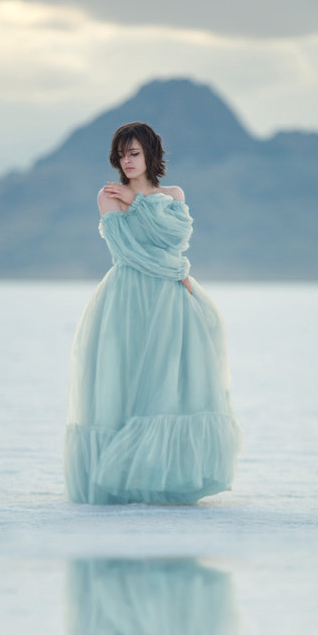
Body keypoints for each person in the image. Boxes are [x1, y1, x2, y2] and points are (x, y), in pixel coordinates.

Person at [63, 121, 243, 504]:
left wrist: (139, 204)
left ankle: (167, 477)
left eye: (134, 153)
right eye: (122, 154)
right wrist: (134, 204)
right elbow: (130, 252)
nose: (127, 161)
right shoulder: (109, 195)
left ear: (149, 155)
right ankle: (119, 477)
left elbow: (176, 239)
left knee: (170, 385)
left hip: (171, 298)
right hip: (127, 297)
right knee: (125, 383)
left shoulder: (173, 194)